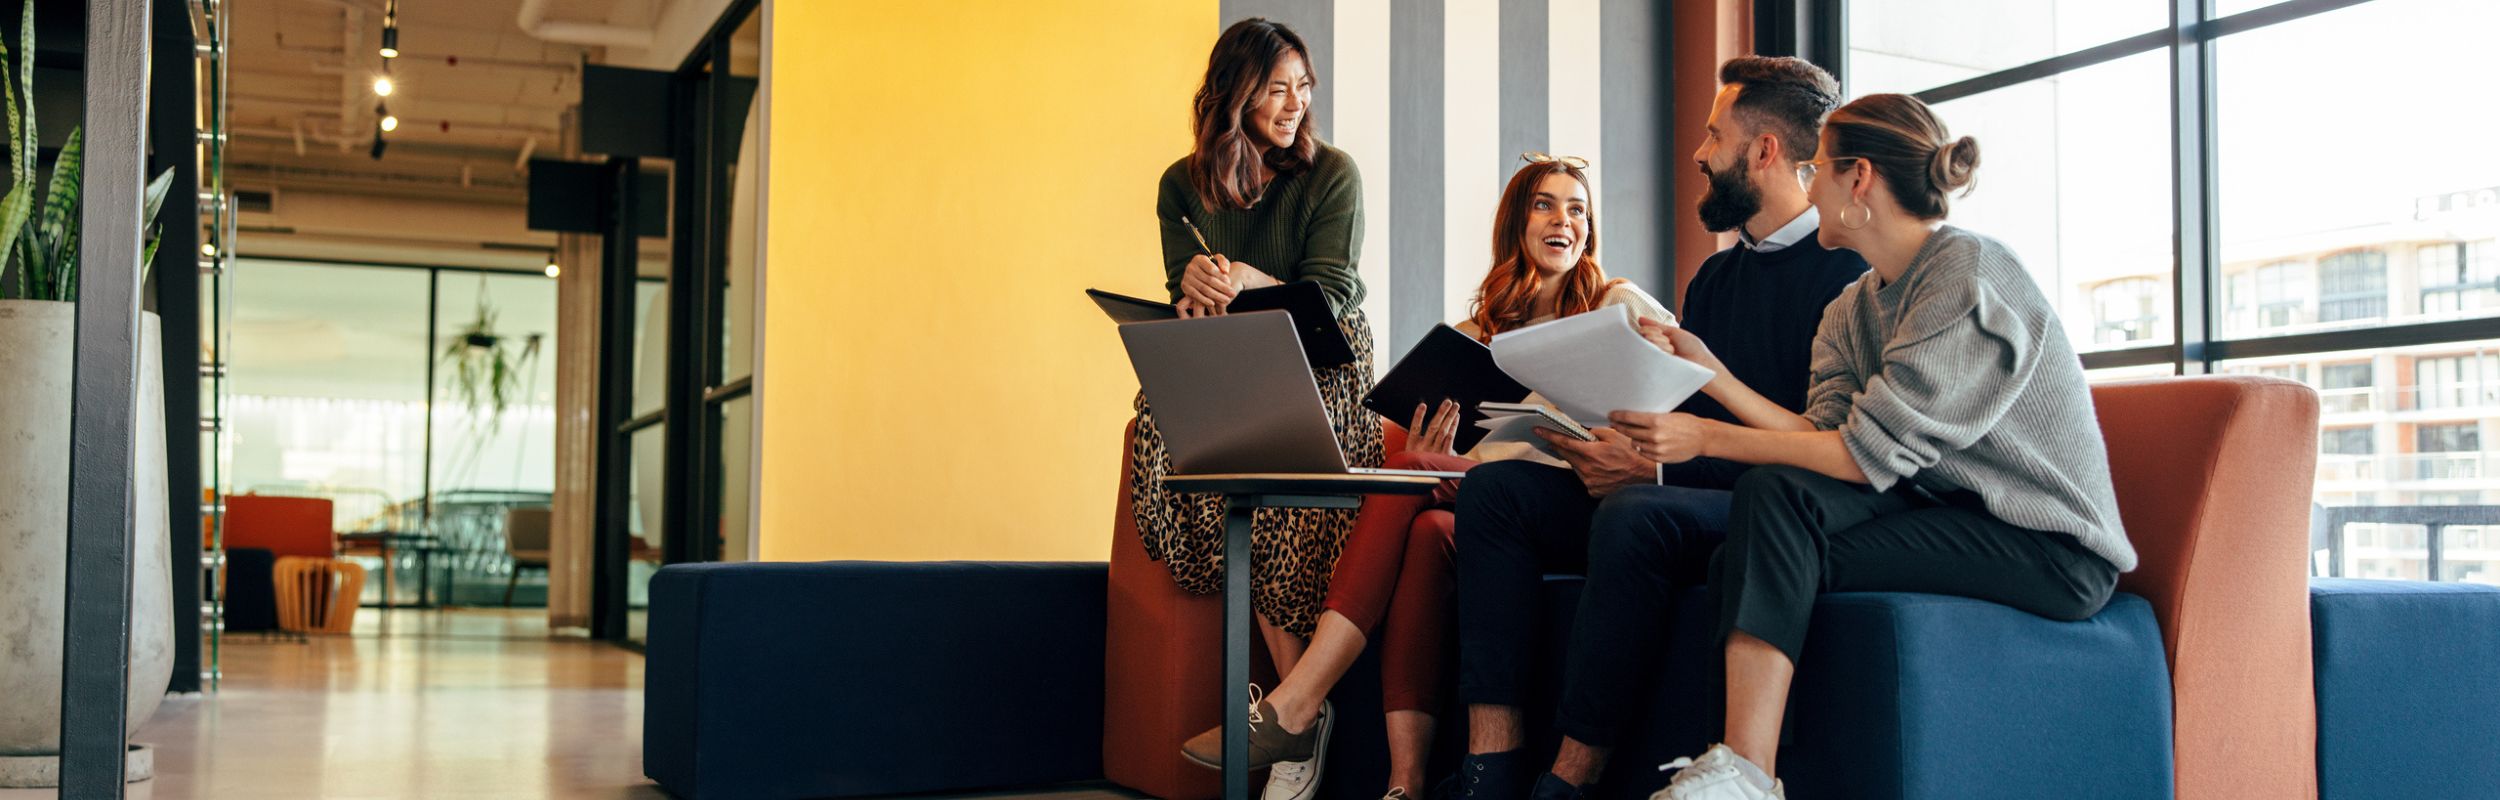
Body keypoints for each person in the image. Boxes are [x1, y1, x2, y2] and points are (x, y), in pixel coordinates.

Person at [1615, 93, 2136, 800]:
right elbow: (1820, 434)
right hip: (1947, 516)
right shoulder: (1852, 307)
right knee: (1751, 532)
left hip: (2046, 546)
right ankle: (1741, 770)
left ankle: (1744, 773)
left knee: (1766, 532)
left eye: (1819, 168)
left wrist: (1706, 434)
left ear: (1858, 179)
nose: (1809, 184)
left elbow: (1862, 456)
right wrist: (1712, 372)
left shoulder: (1968, 276)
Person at [1181, 153, 1671, 800]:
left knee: (1407, 470)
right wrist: (1431, 448)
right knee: (1426, 529)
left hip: (1586, 499)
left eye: (1577, 208)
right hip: (1494, 505)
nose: (1564, 220)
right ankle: (1405, 784)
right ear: (1516, 225)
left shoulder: (1616, 301)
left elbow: (1674, 387)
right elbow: (1468, 456)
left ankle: (1299, 701)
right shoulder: (1475, 334)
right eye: (1545, 204)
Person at [1442, 57, 1867, 800]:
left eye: (1714, 135)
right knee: (1497, 494)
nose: (1700, 154)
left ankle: (1568, 781)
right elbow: (1686, 417)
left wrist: (1653, 473)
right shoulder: (1715, 279)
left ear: (1763, 151)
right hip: (1684, 482)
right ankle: (1491, 766)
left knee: (1638, 515)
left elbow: (1814, 455)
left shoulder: (1847, 278)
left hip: (1769, 505)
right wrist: (1623, 448)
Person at [1127, 16, 1377, 798]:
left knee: (1271, 485)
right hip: (1230, 355)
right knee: (1171, 441)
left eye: (1304, 87)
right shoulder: (1180, 184)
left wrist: (1245, 279)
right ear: (1235, 93)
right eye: (1278, 89)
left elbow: (1331, 299)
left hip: (1322, 356)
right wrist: (1192, 291)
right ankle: (1298, 714)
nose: (1296, 103)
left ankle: (1290, 720)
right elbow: (1186, 295)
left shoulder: (1333, 173)